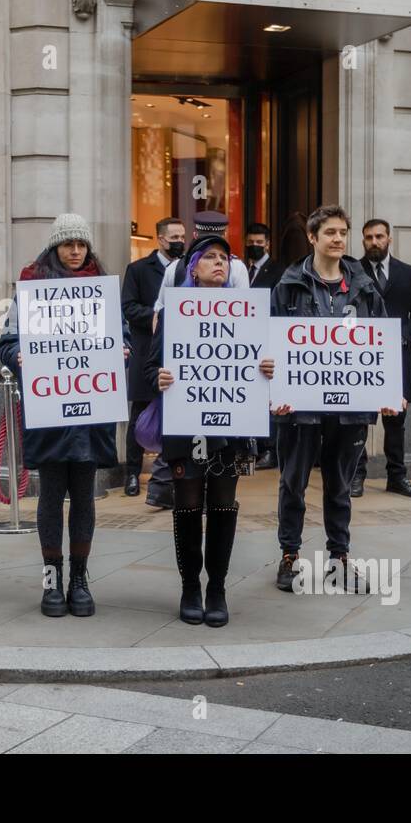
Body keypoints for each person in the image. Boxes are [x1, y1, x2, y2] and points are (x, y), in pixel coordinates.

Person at [0, 214, 128, 618]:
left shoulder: (103, 289)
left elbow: (121, 334)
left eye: (81, 244)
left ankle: (80, 578)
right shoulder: (32, 286)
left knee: (85, 495)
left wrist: (122, 349)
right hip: (50, 409)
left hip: (90, 412)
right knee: (52, 494)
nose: (75, 251)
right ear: (55, 247)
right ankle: (52, 579)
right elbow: (7, 340)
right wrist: (17, 356)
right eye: (68, 244)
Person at [272, 205, 405, 593]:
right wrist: (275, 390)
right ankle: (289, 555)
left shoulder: (364, 288)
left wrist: (387, 390)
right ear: (312, 238)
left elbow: (381, 343)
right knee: (292, 482)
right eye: (329, 232)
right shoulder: (288, 286)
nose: (338, 239)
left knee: (340, 484)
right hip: (299, 409)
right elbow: (271, 344)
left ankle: (339, 557)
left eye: (343, 233)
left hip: (349, 409)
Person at [147, 233, 275, 627]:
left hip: (229, 428)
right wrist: (160, 377)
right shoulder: (173, 312)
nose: (219, 263)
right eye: (210, 257)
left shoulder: (249, 313)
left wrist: (269, 368)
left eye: (224, 257)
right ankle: (190, 587)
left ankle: (216, 587)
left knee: (222, 505)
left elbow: (264, 364)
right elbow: (148, 369)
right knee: (186, 505)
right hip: (186, 427)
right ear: (193, 267)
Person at [351, 219, 411, 499]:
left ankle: (397, 477)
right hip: (359, 362)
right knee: (358, 420)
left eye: (379, 236)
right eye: (369, 237)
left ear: (389, 239)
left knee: (395, 422)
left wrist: (401, 337)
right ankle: (356, 476)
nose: (374, 242)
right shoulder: (351, 272)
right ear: (363, 241)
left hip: (397, 360)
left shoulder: (409, 274)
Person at [121, 217, 185, 499]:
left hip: (178, 356)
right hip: (147, 350)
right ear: (160, 239)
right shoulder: (138, 270)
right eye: (174, 237)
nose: (179, 241)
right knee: (140, 414)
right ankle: (132, 474)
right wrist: (156, 317)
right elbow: (129, 307)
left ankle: (168, 477)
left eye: (183, 236)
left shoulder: (187, 270)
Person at [151, 210, 251, 314]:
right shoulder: (174, 268)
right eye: (209, 256)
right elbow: (159, 312)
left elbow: (243, 311)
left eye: (223, 257)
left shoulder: (237, 268)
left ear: (195, 235)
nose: (218, 261)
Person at [245, 222, 285, 469]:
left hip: (269, 338)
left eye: (260, 243)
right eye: (251, 243)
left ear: (268, 244)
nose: (255, 247)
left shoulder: (279, 270)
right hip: (247, 341)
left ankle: (271, 449)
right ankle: (255, 447)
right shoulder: (240, 270)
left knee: (269, 395)